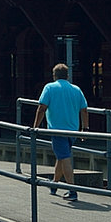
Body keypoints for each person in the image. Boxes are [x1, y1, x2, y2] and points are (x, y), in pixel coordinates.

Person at [32, 63, 88, 201]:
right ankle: (54, 184)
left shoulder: (50, 88)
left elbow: (42, 108)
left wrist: (35, 127)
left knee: (65, 158)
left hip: (57, 130)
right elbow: (84, 109)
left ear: (54, 76)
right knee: (62, 156)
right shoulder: (76, 89)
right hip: (73, 130)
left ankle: (72, 190)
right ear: (67, 76)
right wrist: (85, 128)